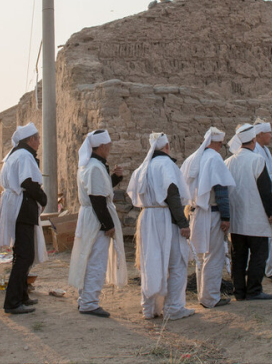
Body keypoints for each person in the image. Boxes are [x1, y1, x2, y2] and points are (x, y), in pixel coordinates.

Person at [127, 132, 193, 320]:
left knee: (150, 262)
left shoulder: (143, 167)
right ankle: (173, 307)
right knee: (177, 261)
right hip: (164, 216)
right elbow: (172, 192)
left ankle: (149, 308)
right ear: (167, 147)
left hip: (147, 217)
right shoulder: (166, 165)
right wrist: (183, 222)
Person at [68, 130, 128, 317]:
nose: (110, 148)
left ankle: (85, 299)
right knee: (96, 260)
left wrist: (115, 178)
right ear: (102, 146)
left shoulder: (92, 166)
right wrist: (107, 224)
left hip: (91, 217)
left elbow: (101, 190)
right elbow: (97, 199)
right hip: (95, 219)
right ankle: (89, 303)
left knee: (89, 258)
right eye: (108, 145)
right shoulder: (93, 167)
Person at [0, 123, 48, 315]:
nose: (39, 142)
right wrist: (43, 198)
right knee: (24, 255)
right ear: (30, 140)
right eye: (37, 138)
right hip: (22, 206)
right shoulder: (25, 156)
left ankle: (22, 295)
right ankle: (12, 301)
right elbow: (28, 182)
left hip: (18, 205)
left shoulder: (16, 154)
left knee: (22, 254)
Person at [183, 127, 235, 309]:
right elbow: (221, 190)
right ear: (218, 143)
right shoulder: (214, 158)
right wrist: (226, 217)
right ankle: (211, 297)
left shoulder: (192, 159)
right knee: (214, 255)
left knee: (201, 256)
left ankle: (203, 295)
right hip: (212, 213)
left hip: (196, 213)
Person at [225, 123, 272, 301]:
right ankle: (254, 290)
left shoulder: (228, 162)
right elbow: (265, 191)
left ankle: (239, 291)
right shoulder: (257, 160)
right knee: (259, 255)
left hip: (236, 219)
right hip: (255, 218)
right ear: (254, 140)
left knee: (238, 257)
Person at [250, 119, 272, 284]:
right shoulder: (255, 151)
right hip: (261, 195)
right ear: (260, 134)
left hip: (269, 191)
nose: (271, 136)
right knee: (264, 233)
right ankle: (271, 269)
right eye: (268, 133)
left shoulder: (264, 150)